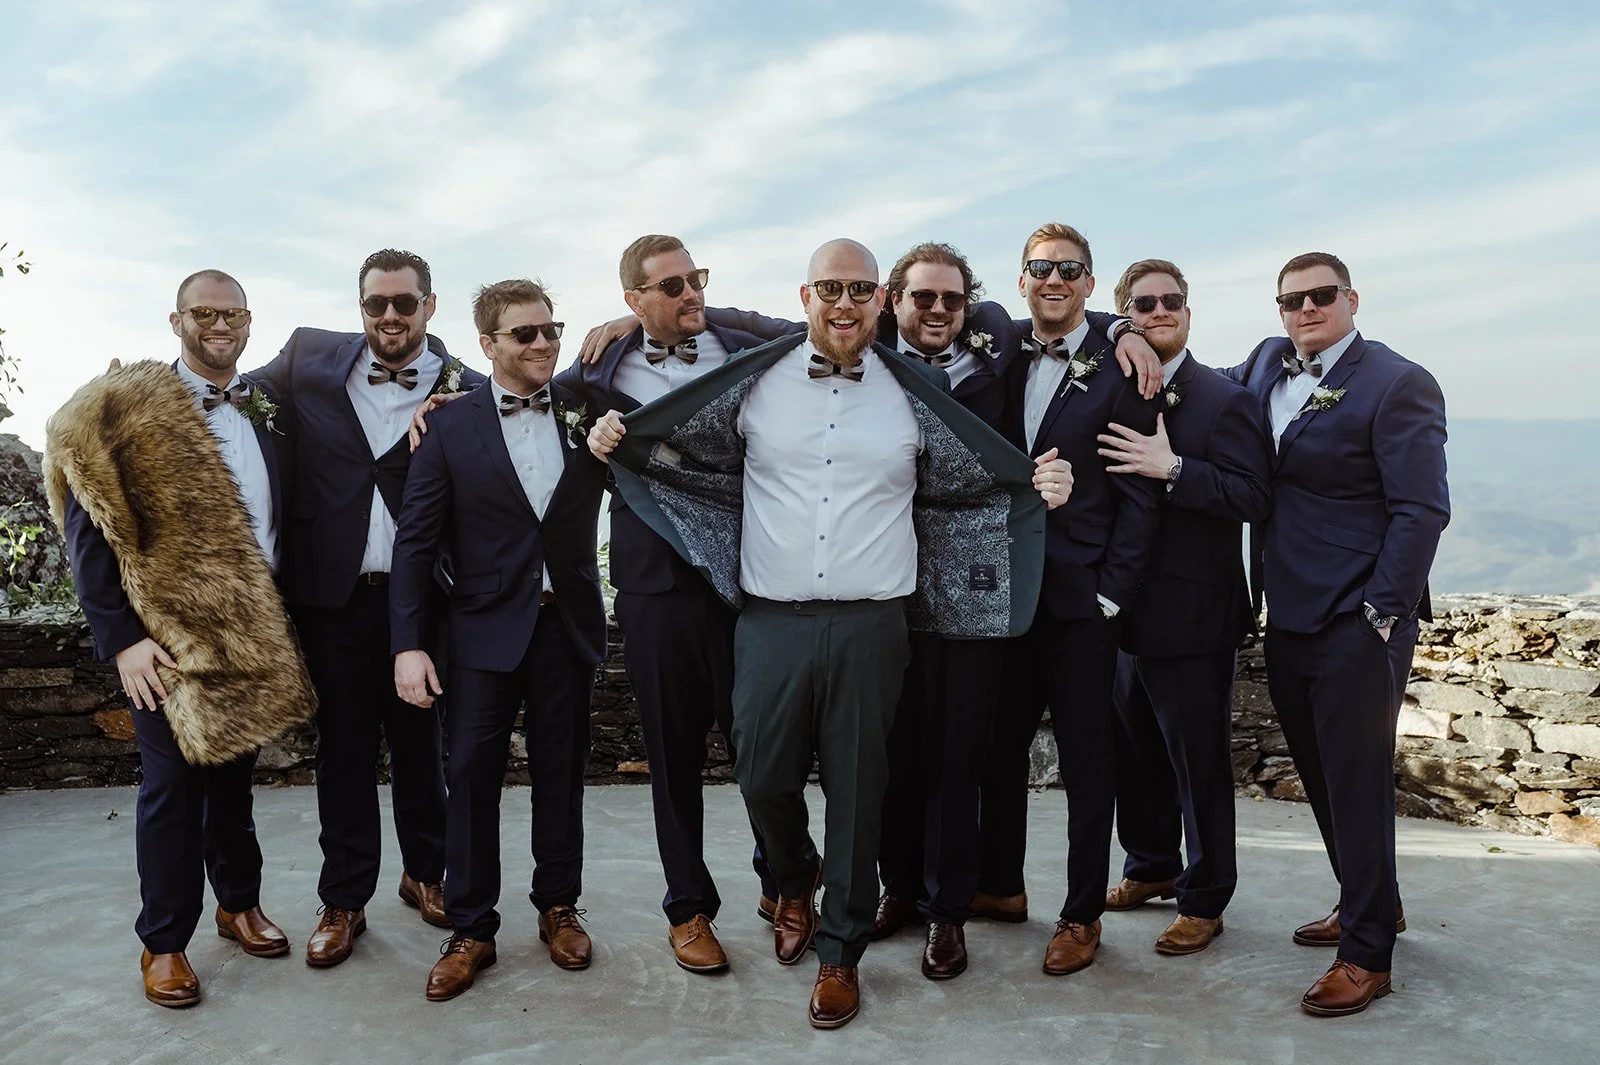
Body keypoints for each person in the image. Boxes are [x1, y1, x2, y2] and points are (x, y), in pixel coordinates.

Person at [588, 238, 1069, 1028]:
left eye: (861, 290)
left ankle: (840, 952)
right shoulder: (754, 379)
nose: (845, 303)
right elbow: (681, 451)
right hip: (770, 616)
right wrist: (618, 439)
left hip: (875, 621)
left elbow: (981, 481)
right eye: (830, 288)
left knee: (857, 787)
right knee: (761, 775)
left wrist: (1045, 481)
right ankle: (793, 873)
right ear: (805, 295)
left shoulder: (916, 393)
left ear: (881, 301)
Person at [51, 270, 307, 1006]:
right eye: (205, 312)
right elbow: (90, 527)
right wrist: (122, 639)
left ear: (250, 322)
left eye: (233, 313)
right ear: (176, 320)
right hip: (162, 642)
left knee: (232, 782)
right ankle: (164, 941)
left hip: (250, 632)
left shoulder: (269, 408)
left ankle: (237, 903)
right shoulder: (125, 406)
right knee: (171, 787)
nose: (220, 325)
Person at [1229, 252, 1448, 1016]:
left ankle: (1367, 954)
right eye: (1291, 300)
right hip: (1287, 612)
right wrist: (1124, 330)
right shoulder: (1263, 366)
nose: (1306, 308)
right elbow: (1191, 378)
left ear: (1351, 299)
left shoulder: (1398, 381)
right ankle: (1372, 902)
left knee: (1356, 784)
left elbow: (1422, 509)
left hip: (1358, 620)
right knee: (1322, 778)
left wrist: (1382, 612)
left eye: (1322, 295)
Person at [252, 249, 484, 967]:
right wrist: (137, 388)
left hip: (424, 600)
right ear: (359, 307)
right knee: (344, 750)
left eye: (404, 304)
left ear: (429, 306)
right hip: (333, 597)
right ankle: (344, 898)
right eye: (376, 304)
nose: (390, 316)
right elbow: (221, 389)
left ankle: (426, 874)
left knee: (423, 744)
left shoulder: (467, 389)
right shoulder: (305, 359)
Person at [553, 235, 776, 974]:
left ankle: (784, 885)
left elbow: (831, 324)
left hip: (748, 580)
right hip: (653, 590)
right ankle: (688, 908)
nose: (691, 296)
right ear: (632, 301)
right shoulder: (594, 371)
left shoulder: (744, 341)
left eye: (696, 280)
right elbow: (522, 402)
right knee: (674, 761)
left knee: (765, 747)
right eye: (671, 286)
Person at [390, 279, 607, 1001]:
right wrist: (407, 644)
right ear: (487, 345)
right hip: (479, 632)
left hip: (565, 626)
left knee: (561, 777)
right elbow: (415, 545)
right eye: (525, 334)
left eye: (551, 330)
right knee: (473, 782)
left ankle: (558, 906)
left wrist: (626, 322)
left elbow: (671, 398)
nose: (543, 343)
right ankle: (473, 927)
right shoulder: (449, 425)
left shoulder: (585, 410)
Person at [976, 223, 1164, 976]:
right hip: (1004, 598)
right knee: (996, 750)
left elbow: (1141, 494)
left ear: (1090, 282)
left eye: (1070, 269)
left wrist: (1113, 595)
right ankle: (999, 885)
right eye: (1039, 267)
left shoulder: (1124, 371)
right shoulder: (996, 348)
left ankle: (1081, 913)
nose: (1053, 279)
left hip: (1084, 605)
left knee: (1090, 765)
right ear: (1021, 279)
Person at [1093, 258, 1272, 955]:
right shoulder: (1113, 386)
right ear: (1126, 316)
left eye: (1172, 301)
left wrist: (1174, 470)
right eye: (1143, 304)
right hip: (1121, 614)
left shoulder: (1225, 400)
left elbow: (1255, 497)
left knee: (1198, 767)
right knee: (1133, 756)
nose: (1159, 310)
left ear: (1188, 314)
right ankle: (1151, 867)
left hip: (1196, 619)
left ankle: (1205, 897)